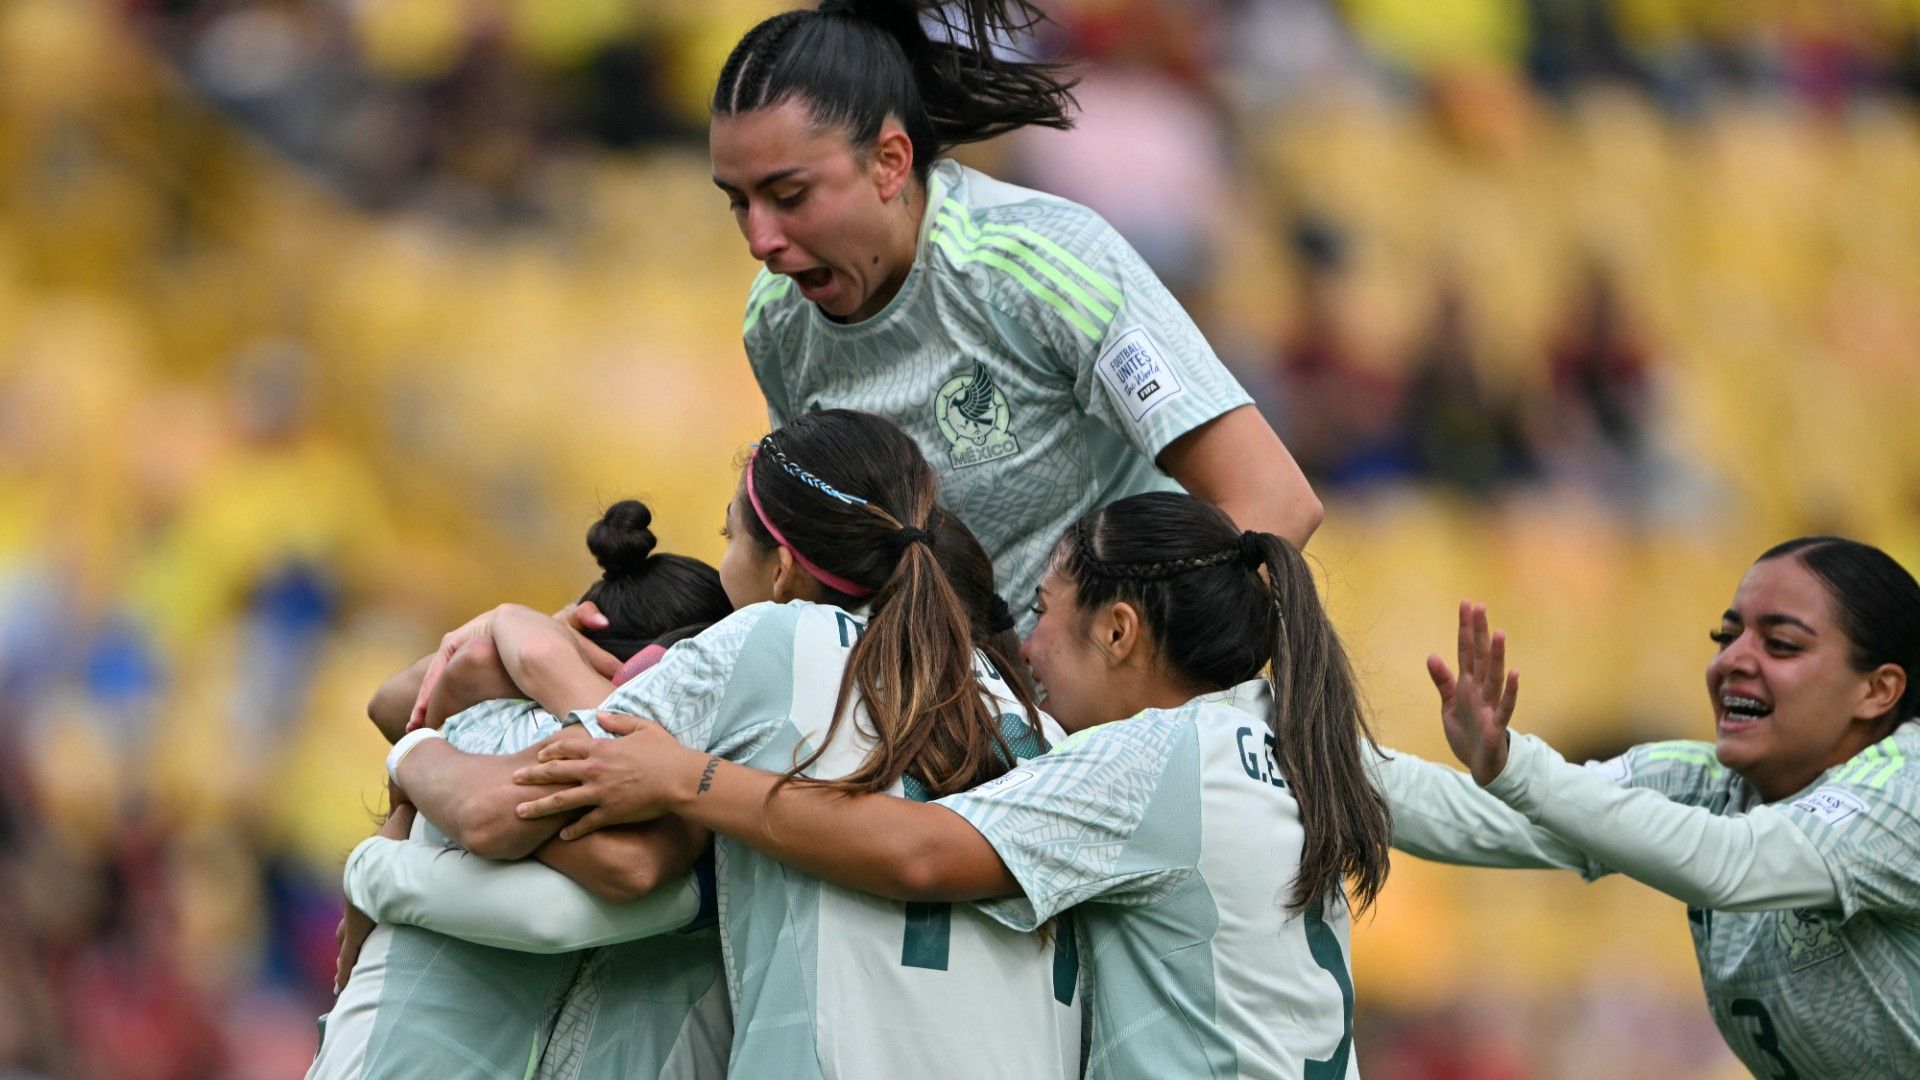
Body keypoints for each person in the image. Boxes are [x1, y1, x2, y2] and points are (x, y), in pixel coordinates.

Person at [516, 490, 1394, 1078]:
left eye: (1045, 611)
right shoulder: (1285, 743)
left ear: (1120, 630)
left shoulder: (1147, 761)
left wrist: (690, 777)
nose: (1028, 649)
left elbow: (919, 852)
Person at [388, 409, 1081, 1079]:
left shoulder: (772, 637)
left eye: (729, 536)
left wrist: (424, 746)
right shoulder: (1036, 725)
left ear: (782, 570)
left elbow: (512, 807)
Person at [716, 0, 1322, 631]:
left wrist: (1125, 691)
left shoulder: (1045, 267)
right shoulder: (776, 322)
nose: (760, 240)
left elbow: (1273, 502)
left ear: (890, 162)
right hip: (926, 717)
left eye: (789, 197)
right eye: (738, 202)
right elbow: (820, 560)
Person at [1386, 537, 1920, 1078]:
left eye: (1780, 644)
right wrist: (1305, 754)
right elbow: (1473, 817)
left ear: (1878, 690)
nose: (1732, 659)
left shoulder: (1907, 790)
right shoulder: (1703, 780)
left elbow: (1733, 864)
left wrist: (1515, 768)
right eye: (1726, 637)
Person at [311, 500, 735, 1080]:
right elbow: (403, 711)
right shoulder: (519, 727)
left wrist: (376, 855)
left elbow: (609, 871)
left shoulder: (487, 726)